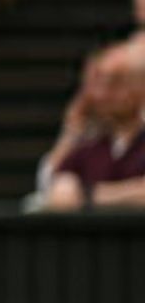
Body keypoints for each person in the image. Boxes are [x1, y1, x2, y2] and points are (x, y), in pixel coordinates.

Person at [41, 42, 145, 211]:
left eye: (116, 83)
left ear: (141, 86)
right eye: (99, 83)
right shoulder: (88, 145)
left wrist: (89, 195)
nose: (103, 94)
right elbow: (56, 191)